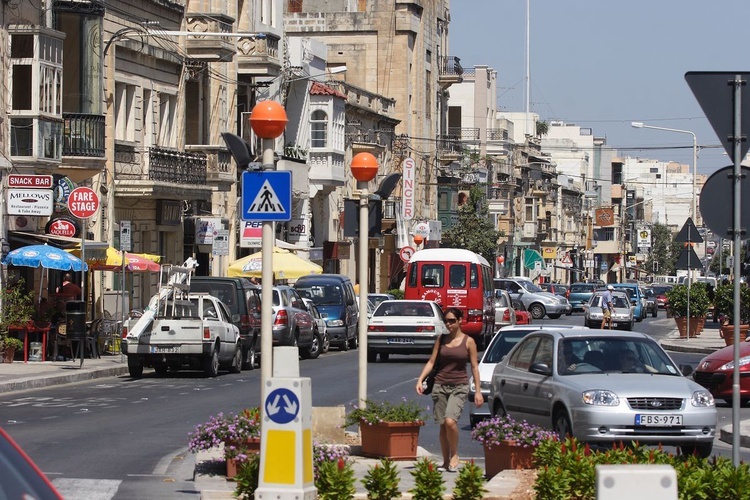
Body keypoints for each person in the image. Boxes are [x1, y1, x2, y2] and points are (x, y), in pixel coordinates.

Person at [415, 308, 482, 473]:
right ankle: (445, 461)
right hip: (440, 386)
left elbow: (474, 366)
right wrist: (420, 379)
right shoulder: (441, 339)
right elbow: (432, 361)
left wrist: (478, 391)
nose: (448, 324)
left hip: (459, 386)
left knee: (451, 421)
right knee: (443, 425)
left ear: (460, 320)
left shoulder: (469, 342)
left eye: (452, 320)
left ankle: (455, 455)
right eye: (446, 321)